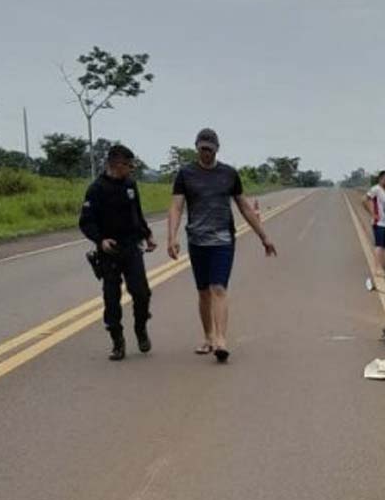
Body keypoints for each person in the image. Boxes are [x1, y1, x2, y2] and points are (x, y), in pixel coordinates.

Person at [167, 128, 277, 363]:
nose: (206, 152)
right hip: (197, 240)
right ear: (197, 147)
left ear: (217, 149)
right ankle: (208, 336)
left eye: (210, 148)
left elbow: (245, 207)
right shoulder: (185, 174)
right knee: (203, 292)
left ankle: (221, 340)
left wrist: (263, 236)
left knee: (219, 288)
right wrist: (172, 237)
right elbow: (176, 206)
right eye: (202, 148)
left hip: (223, 240)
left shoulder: (229, 174)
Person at [79, 145, 157, 361]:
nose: (131, 169)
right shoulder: (96, 189)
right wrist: (100, 240)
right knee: (111, 299)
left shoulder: (130, 185)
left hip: (131, 246)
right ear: (116, 164)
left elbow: (137, 214)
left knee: (141, 292)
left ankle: (140, 329)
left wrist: (147, 234)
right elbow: (86, 222)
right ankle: (117, 341)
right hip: (109, 250)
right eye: (128, 165)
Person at [363, 171, 385, 276]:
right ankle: (377, 268)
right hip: (379, 222)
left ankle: (383, 266)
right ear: (380, 179)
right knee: (379, 246)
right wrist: (372, 213)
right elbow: (365, 200)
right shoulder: (376, 189)